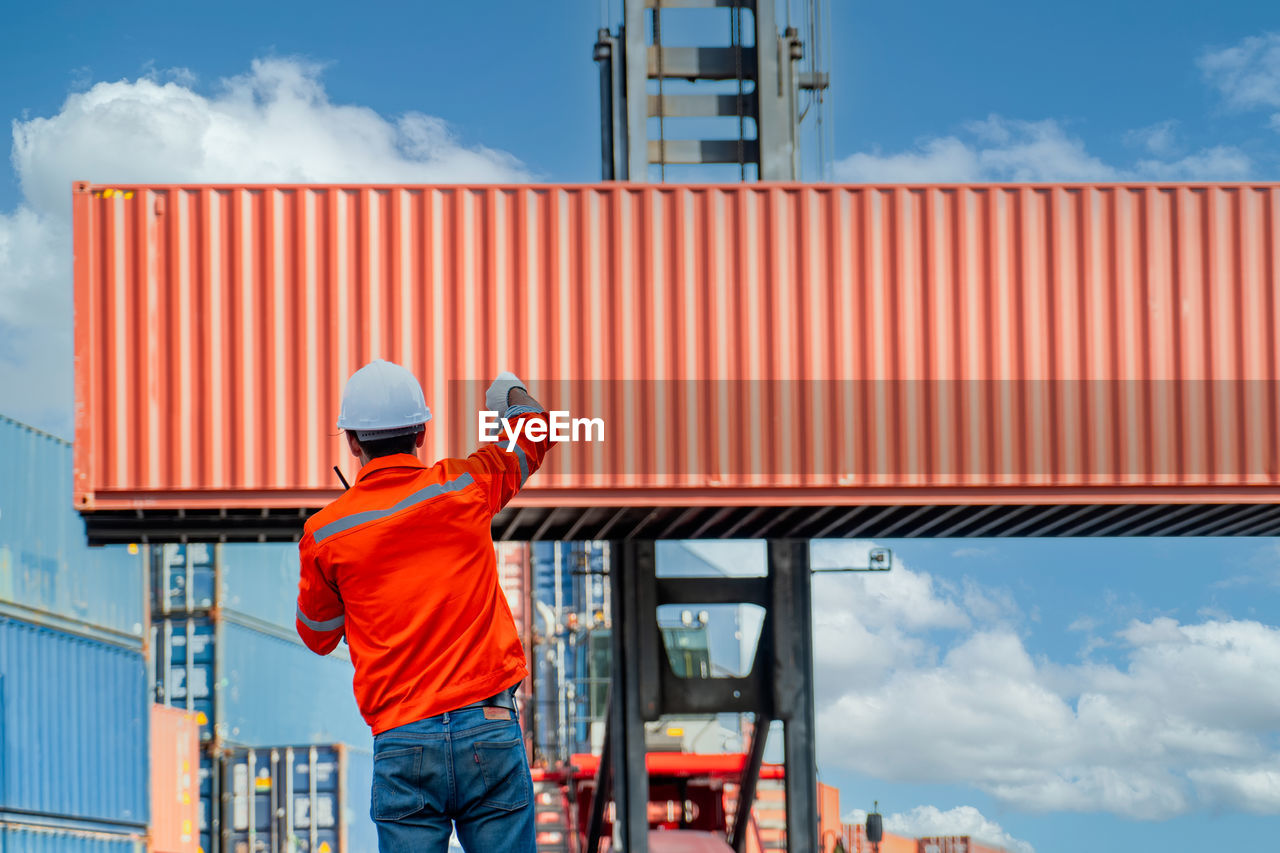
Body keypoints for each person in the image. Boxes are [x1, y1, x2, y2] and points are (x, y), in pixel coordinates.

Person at [295, 359, 553, 853]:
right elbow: (536, 431)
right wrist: (509, 393)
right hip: (488, 726)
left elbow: (318, 634)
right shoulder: (465, 486)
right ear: (422, 432)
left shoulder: (326, 534)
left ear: (352, 441)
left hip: (403, 739)